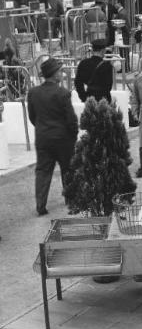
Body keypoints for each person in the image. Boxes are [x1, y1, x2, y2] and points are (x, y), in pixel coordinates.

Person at [27, 58, 78, 216]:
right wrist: (73, 134)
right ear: (54, 74)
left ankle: (40, 205)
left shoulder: (33, 93)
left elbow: (32, 116)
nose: (62, 74)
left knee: (42, 171)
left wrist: (43, 129)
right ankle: (71, 200)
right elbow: (71, 119)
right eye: (60, 71)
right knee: (68, 169)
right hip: (63, 138)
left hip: (43, 137)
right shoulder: (63, 93)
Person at [74, 38, 112, 103]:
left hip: (89, 99)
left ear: (92, 50)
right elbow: (108, 87)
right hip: (103, 101)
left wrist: (84, 98)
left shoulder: (83, 63)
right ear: (103, 50)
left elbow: (78, 83)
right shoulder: (107, 66)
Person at [106, 0, 131, 72]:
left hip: (123, 35)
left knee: (124, 52)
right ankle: (125, 67)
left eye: (115, 3)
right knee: (123, 52)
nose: (114, 5)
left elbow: (122, 25)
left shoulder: (121, 13)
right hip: (123, 35)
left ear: (119, 3)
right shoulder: (122, 12)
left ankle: (125, 68)